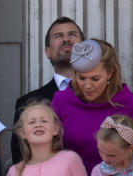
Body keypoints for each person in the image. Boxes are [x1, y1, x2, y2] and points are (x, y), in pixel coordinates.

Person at [51, 39, 133, 176]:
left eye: (95, 79)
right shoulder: (61, 101)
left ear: (110, 73)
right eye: (81, 78)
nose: (87, 85)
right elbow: (50, 153)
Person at [3, 100, 98, 176]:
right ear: (22, 133)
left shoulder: (70, 159)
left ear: (55, 129)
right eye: (32, 122)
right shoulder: (14, 171)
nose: (38, 125)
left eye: (44, 121)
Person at [11, 17, 84, 162]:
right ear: (47, 51)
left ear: (85, 48)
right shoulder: (26, 103)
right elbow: (21, 159)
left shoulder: (105, 95)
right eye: (58, 36)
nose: (66, 40)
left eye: (72, 35)